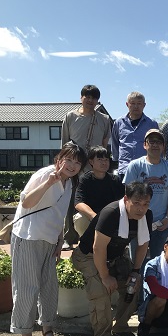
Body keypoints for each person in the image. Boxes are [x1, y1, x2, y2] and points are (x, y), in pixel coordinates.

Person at [10, 142, 87, 336]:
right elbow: (26, 202)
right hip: (29, 236)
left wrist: (60, 239)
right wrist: (48, 183)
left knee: (49, 287)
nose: (72, 165)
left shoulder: (69, 182)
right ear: (59, 159)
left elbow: (58, 213)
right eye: (68, 159)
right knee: (27, 288)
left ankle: (48, 330)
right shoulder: (45, 174)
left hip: (50, 239)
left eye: (77, 162)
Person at [72, 182, 153, 336]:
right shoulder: (111, 213)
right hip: (88, 256)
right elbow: (98, 248)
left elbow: (143, 244)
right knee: (101, 292)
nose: (141, 209)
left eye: (146, 204)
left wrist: (135, 271)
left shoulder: (147, 216)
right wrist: (105, 276)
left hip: (116, 256)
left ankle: (120, 328)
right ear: (126, 199)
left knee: (133, 286)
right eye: (136, 203)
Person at [60, 84, 112, 250]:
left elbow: (105, 144)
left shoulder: (104, 119)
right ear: (81, 97)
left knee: (92, 201)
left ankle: (91, 236)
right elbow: (65, 144)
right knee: (70, 200)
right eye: (87, 97)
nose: (90, 100)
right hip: (73, 167)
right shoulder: (70, 116)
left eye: (94, 98)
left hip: (93, 168)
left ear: (97, 100)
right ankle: (68, 237)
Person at [123, 129, 168, 258]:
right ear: (145, 145)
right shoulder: (134, 166)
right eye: (151, 141)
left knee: (160, 262)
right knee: (136, 261)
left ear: (163, 146)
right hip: (137, 222)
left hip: (161, 224)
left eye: (159, 142)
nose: (155, 145)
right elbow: (128, 196)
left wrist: (167, 218)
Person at [73, 146, 125, 236]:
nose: (104, 163)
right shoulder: (85, 179)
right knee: (80, 218)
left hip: (110, 216)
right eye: (100, 159)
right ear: (91, 161)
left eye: (106, 160)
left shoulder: (115, 180)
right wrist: (94, 216)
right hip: (91, 216)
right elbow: (78, 203)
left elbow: (123, 201)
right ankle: (85, 242)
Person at [110, 91, 159, 180]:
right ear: (127, 104)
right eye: (132, 103)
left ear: (144, 105)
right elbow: (115, 143)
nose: (136, 106)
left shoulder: (152, 124)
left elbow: (157, 145)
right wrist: (116, 160)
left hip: (146, 169)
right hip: (125, 169)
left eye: (139, 103)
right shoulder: (119, 122)